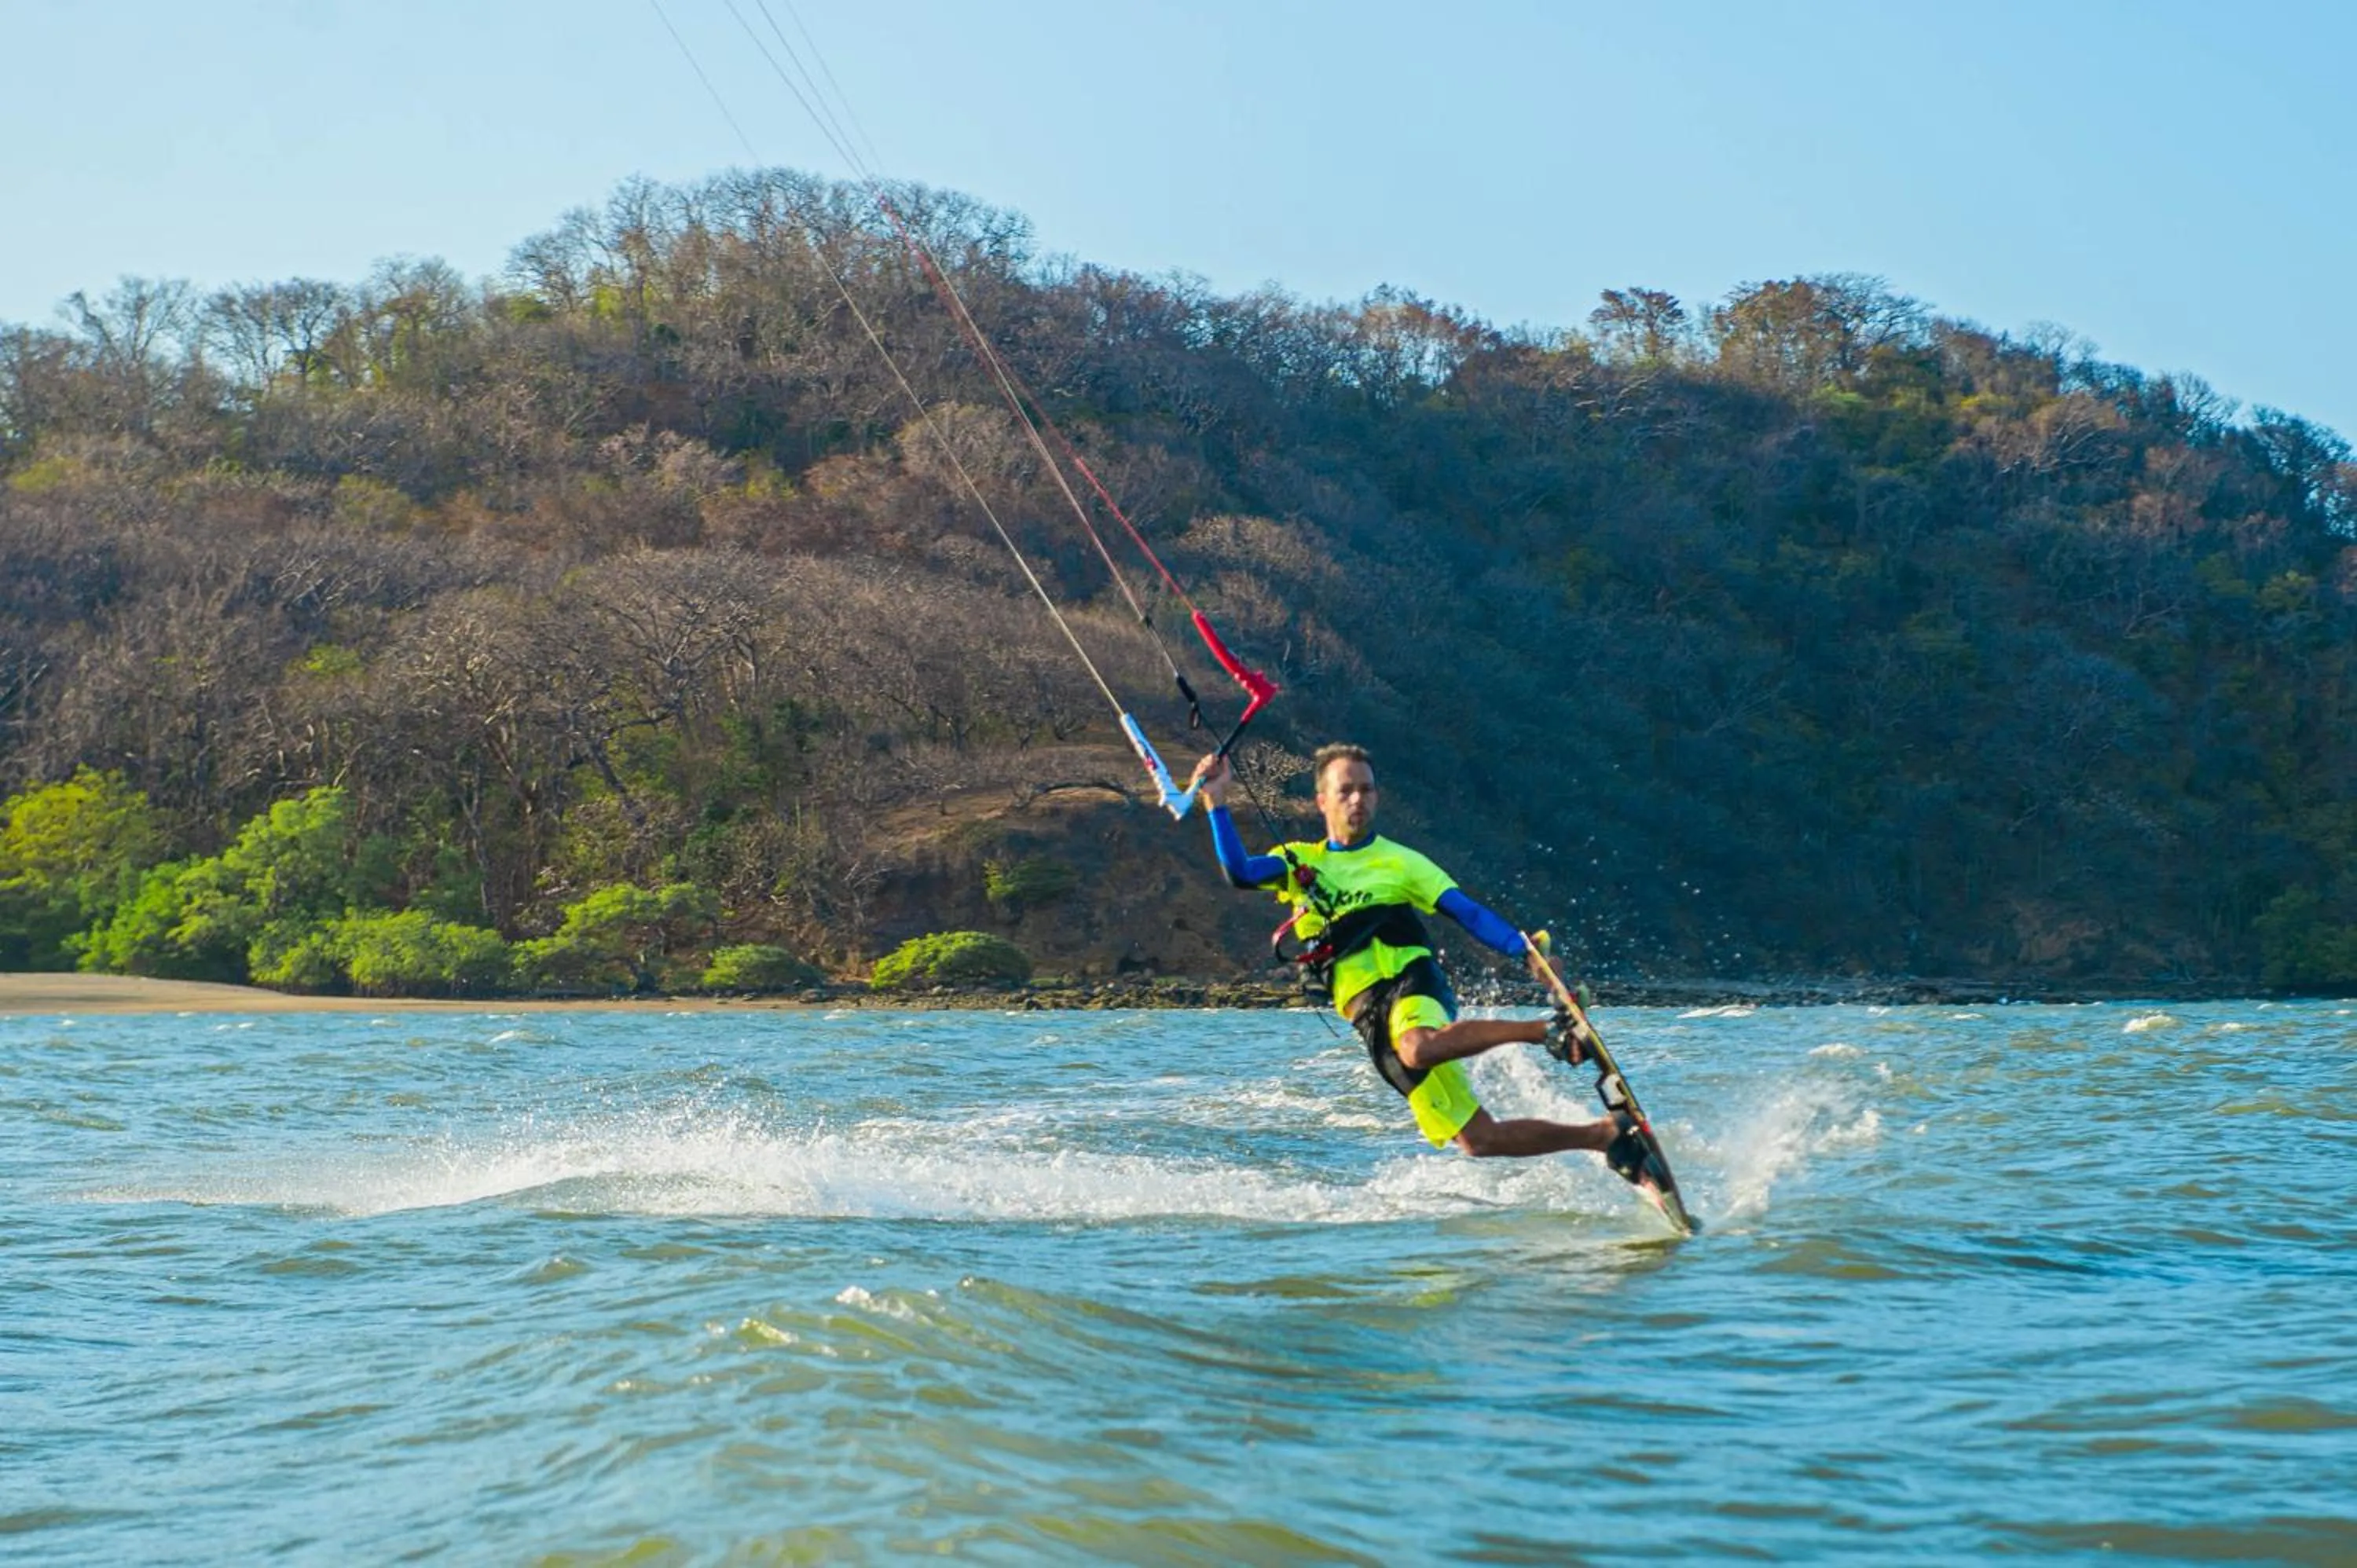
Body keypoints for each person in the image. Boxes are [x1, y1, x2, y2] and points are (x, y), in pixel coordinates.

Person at [1192, 742, 1644, 1166]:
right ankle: (1606, 1136)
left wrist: (1524, 951)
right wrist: (1216, 802)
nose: (1357, 800)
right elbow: (1239, 872)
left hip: (1410, 980)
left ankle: (1547, 1032)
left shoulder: (1403, 862)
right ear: (1321, 802)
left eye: (1366, 790)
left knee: (1418, 1047)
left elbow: (1467, 912)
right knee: (1478, 1140)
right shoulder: (1296, 861)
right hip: (1368, 1017)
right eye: (1345, 791)